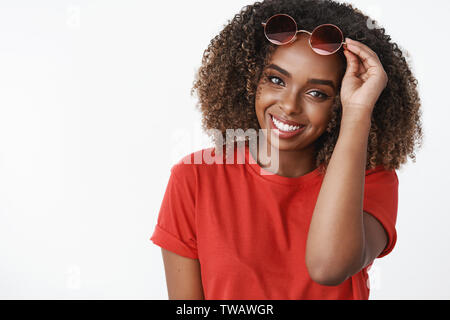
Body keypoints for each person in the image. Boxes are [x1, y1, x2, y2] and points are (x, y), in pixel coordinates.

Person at [150, 0, 423, 300]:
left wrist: (358, 111)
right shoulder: (195, 178)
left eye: (317, 93)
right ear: (250, 78)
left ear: (339, 103)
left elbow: (327, 267)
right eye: (276, 79)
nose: (290, 106)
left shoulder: (371, 179)